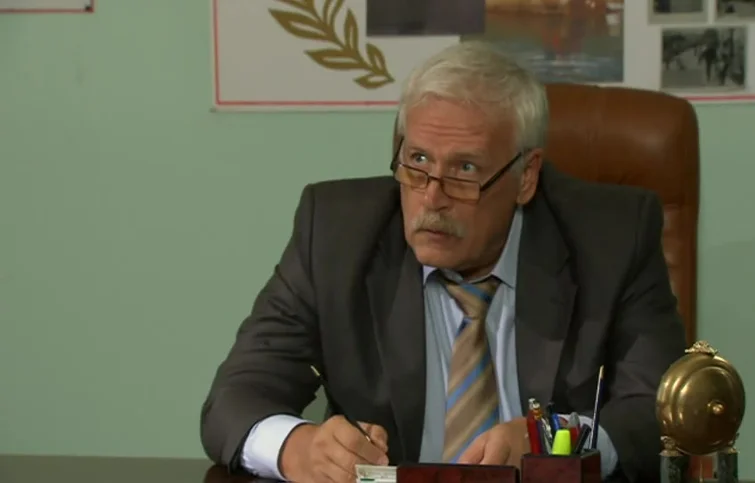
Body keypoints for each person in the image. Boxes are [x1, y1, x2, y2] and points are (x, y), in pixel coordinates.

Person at [199, 41, 688, 483]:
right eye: (417, 161)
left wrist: (553, 442)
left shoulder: (612, 240)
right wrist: (298, 448)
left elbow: (659, 413)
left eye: (465, 169)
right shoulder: (334, 235)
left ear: (526, 177)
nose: (432, 198)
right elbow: (234, 398)